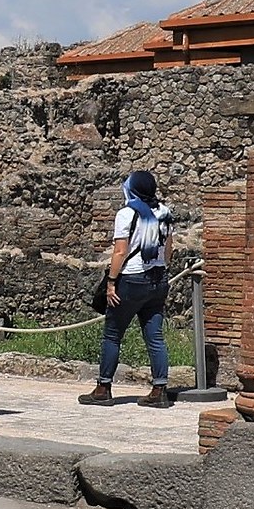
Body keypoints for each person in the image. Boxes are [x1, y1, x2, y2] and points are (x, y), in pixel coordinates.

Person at [81, 170, 175, 408]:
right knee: (155, 336)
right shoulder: (164, 212)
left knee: (113, 334)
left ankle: (103, 387)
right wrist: (160, 269)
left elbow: (120, 251)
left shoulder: (127, 213)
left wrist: (112, 282)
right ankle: (159, 388)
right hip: (158, 278)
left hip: (132, 279)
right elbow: (169, 250)